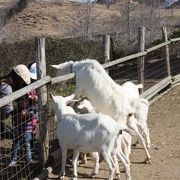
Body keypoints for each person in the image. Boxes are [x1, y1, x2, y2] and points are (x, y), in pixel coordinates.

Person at [0, 64, 31, 168]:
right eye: (21, 80)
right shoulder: (6, 87)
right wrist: (18, 112)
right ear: (17, 77)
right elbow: (7, 109)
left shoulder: (6, 84)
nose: (22, 83)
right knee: (14, 135)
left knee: (14, 135)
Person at [8, 63, 38, 166]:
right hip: (19, 123)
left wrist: (30, 108)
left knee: (28, 142)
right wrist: (20, 113)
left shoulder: (31, 94)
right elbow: (16, 107)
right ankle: (13, 159)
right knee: (16, 142)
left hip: (28, 124)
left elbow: (33, 110)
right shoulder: (21, 91)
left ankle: (28, 159)